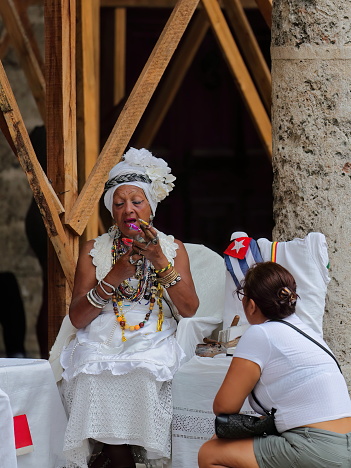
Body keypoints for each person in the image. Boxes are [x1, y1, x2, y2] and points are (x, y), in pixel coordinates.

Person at [60, 147, 199, 468]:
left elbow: (190, 308)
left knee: (146, 369)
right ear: (111, 210)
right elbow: (78, 317)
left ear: (151, 206)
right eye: (119, 203)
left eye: (137, 201)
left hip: (154, 330)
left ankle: (135, 456)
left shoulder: (171, 247)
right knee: (91, 370)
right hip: (101, 331)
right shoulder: (94, 249)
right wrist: (116, 273)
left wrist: (160, 260)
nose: (129, 210)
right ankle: (118, 455)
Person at [198, 261, 351, 468]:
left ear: (251, 305)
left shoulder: (260, 333)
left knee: (210, 453)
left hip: (317, 447)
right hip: (344, 443)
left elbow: (224, 406)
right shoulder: (308, 332)